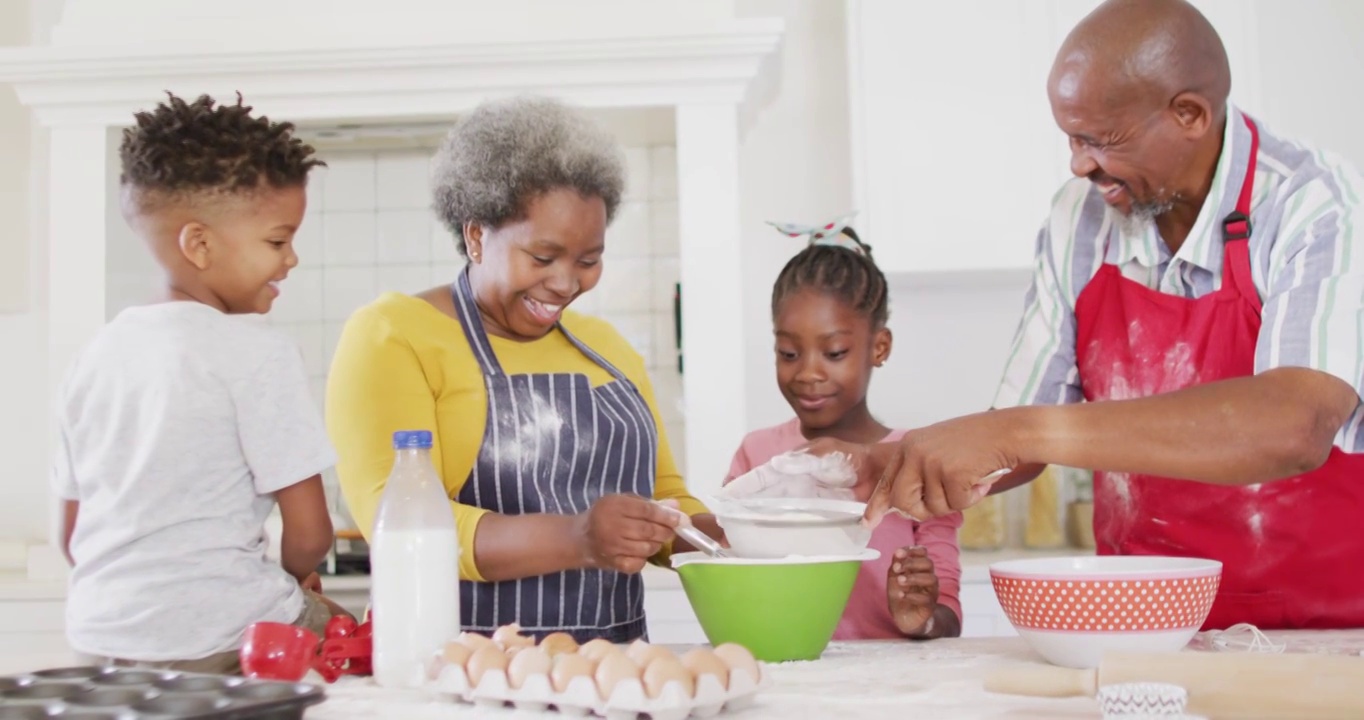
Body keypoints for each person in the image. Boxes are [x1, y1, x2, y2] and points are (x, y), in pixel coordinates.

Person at [825, 0, 1364, 631]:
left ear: (1189, 114)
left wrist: (1022, 432)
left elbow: (1294, 424)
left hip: (1325, 631)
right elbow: (1015, 433)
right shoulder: (1078, 217)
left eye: (1099, 140)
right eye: (1070, 139)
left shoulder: (1314, 205)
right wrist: (902, 459)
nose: (1078, 164)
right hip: (1145, 624)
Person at [327, 95, 720, 644]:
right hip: (464, 673)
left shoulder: (605, 348)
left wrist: (754, 539)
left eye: (588, 261)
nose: (565, 284)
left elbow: (664, 497)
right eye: (542, 257)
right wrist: (580, 536)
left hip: (616, 677)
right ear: (475, 236)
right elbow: (405, 531)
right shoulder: (394, 335)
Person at [53, 93, 351, 673]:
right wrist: (297, 580)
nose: (290, 259)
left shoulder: (94, 357)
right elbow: (311, 532)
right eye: (276, 240)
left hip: (97, 636)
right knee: (370, 650)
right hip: (225, 635)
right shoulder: (257, 351)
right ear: (200, 244)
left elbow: (69, 534)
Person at [725, 215, 963, 639]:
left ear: (879, 347)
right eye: (788, 353)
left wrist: (921, 616)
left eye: (833, 353)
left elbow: (946, 618)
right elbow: (726, 574)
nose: (808, 373)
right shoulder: (757, 456)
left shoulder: (919, 459)